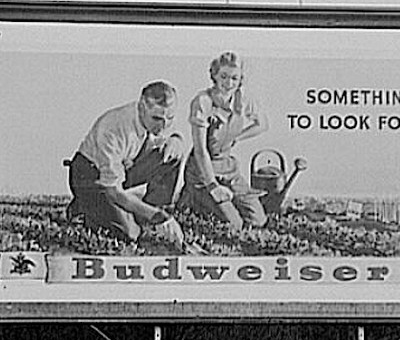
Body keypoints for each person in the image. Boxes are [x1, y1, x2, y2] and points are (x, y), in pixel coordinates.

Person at [66, 80, 185, 247]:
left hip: (124, 168)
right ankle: (84, 206)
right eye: (157, 118)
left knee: (173, 154)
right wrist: (158, 217)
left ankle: (150, 217)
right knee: (129, 233)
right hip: (91, 175)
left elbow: (171, 135)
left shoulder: (159, 120)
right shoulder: (113, 128)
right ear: (141, 107)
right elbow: (113, 191)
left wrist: (176, 140)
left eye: (169, 118)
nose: (163, 126)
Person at [178, 51, 268, 230]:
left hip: (228, 168)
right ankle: (193, 198)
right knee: (235, 224)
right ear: (214, 76)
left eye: (234, 78)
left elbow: (262, 124)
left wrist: (236, 138)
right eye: (224, 77)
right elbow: (200, 151)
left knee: (257, 220)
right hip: (202, 172)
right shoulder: (203, 101)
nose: (229, 83)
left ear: (240, 79)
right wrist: (212, 186)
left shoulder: (243, 99)